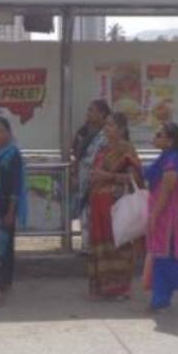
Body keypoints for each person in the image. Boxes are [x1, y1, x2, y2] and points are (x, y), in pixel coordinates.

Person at [143, 121, 178, 313]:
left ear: (170, 141)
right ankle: (160, 299)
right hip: (164, 214)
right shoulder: (167, 157)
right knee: (162, 256)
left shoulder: (173, 160)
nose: (155, 137)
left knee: (163, 257)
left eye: (159, 135)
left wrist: (154, 215)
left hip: (168, 216)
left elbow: (166, 192)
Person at [86, 112, 145, 300]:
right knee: (99, 244)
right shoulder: (102, 148)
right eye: (106, 124)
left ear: (121, 129)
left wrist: (108, 177)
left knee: (118, 243)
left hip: (116, 206)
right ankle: (102, 287)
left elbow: (135, 178)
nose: (106, 128)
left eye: (111, 125)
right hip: (98, 205)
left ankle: (120, 288)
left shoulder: (126, 149)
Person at [0, 116, 27, 308]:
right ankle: (2, 283)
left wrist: (11, 211)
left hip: (6, 206)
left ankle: (0, 288)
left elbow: (16, 185)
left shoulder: (13, 154)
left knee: (3, 248)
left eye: (2, 130)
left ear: (9, 131)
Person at [71, 99, 111, 255]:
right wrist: (75, 174)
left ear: (102, 114)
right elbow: (76, 153)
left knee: (97, 211)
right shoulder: (84, 131)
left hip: (100, 178)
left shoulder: (107, 133)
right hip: (84, 177)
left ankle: (99, 245)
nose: (88, 114)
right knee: (85, 211)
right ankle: (87, 244)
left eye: (91, 110)